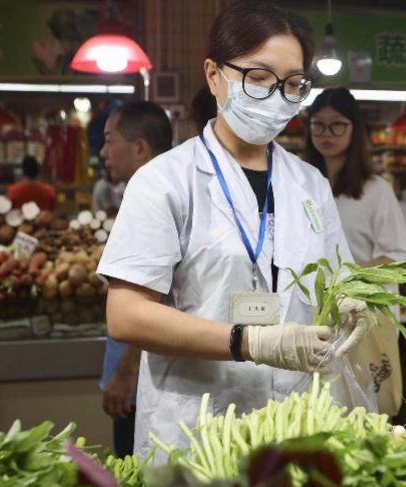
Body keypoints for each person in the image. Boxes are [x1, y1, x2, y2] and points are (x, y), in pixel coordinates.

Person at [96, 0, 373, 461]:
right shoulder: (166, 181)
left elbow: (334, 278)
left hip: (297, 421)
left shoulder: (309, 183)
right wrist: (249, 341)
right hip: (196, 430)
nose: (277, 95)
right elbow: (126, 315)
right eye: (259, 78)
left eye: (292, 84)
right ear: (213, 75)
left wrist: (349, 300)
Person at [304, 87, 406, 416]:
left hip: (361, 321)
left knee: (362, 412)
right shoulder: (301, 184)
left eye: (337, 125)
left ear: (355, 130)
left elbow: (401, 262)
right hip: (313, 321)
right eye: (318, 125)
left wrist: (347, 278)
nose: (326, 134)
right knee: (316, 412)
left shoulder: (375, 190)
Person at [96, 100, 173, 458]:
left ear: (140, 147)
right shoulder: (144, 192)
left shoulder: (158, 197)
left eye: (110, 140)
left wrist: (127, 372)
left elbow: (153, 295)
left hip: (145, 375)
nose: (103, 150)